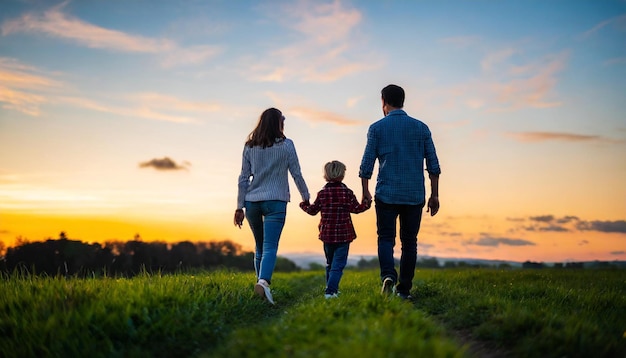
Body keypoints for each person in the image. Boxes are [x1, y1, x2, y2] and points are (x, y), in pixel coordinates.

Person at [359, 84, 441, 300]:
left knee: (385, 238)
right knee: (409, 242)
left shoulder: (376, 128)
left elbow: (367, 164)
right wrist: (435, 195)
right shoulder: (421, 128)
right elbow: (433, 165)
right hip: (414, 195)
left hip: (386, 193)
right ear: (403, 101)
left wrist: (365, 192)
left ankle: (388, 276)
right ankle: (404, 290)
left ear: (383, 102)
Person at [234, 108, 310, 305]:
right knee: (270, 247)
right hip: (276, 200)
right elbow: (297, 173)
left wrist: (239, 207)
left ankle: (260, 289)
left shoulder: (250, 146)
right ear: (279, 123)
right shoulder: (287, 145)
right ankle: (263, 282)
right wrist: (306, 196)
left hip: (252, 202)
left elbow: (243, 178)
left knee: (259, 246)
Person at [300, 161, 371, 299]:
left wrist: (303, 204)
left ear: (326, 175)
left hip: (327, 235)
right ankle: (331, 291)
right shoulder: (347, 192)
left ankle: (331, 290)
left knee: (330, 264)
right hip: (344, 235)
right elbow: (356, 209)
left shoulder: (322, 193)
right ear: (342, 174)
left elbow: (312, 211)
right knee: (338, 265)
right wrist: (367, 204)